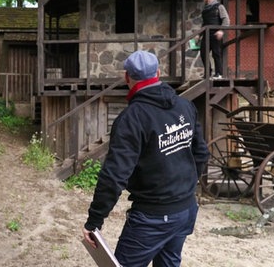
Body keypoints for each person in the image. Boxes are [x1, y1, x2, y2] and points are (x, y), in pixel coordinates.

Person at [82, 50, 210, 267]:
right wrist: (183, 188)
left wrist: (94, 221)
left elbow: (114, 176)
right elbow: (202, 153)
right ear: (158, 73)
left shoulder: (131, 118)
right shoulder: (185, 106)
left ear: (127, 78)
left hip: (153, 218)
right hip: (185, 211)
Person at [200, 0, 230, 79]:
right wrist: (200, 34)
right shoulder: (205, 10)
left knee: (216, 53)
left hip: (216, 33)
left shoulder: (219, 6)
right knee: (203, 53)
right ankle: (208, 73)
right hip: (206, 34)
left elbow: (226, 19)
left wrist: (221, 30)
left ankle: (219, 73)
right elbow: (204, 23)